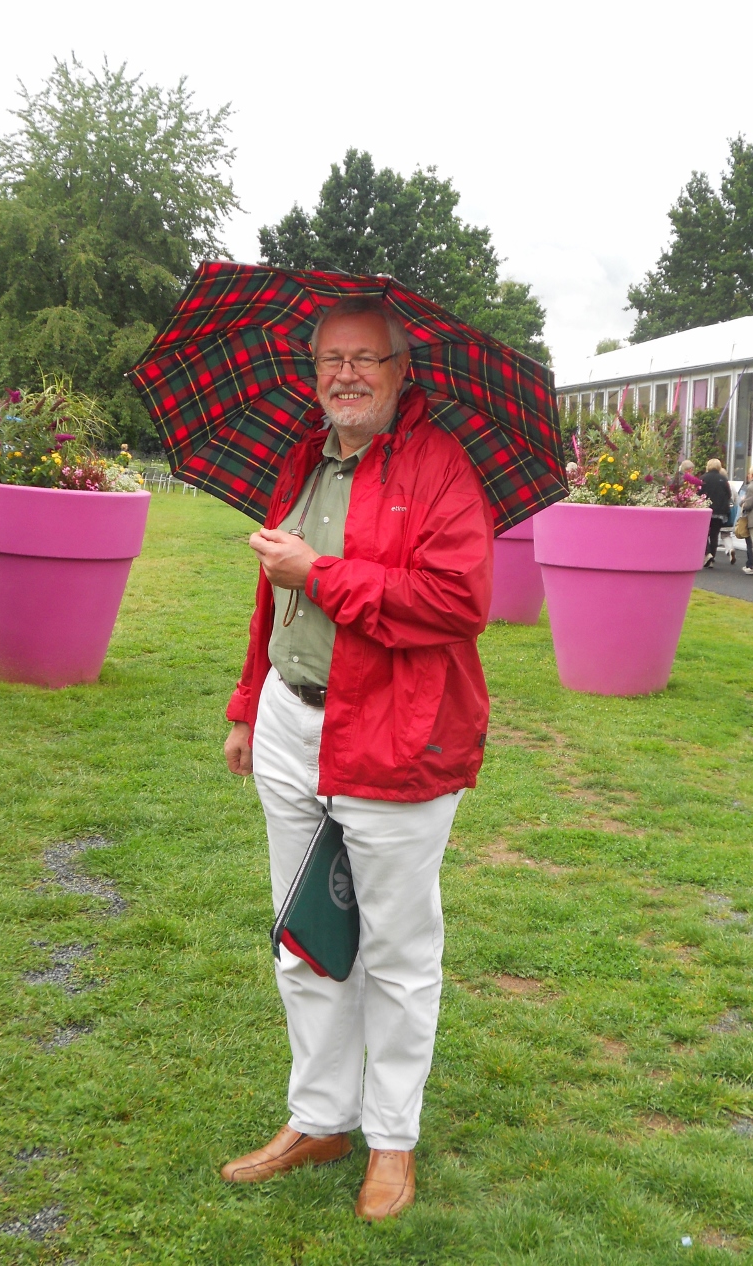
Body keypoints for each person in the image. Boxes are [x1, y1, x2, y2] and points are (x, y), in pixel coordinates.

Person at [220, 296, 493, 1221]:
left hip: (397, 735)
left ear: (401, 370)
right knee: (306, 939)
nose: (346, 373)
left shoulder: (439, 464)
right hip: (291, 728)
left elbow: (456, 600)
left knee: (397, 953)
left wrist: (323, 575)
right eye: (332, 357)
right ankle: (320, 1117)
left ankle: (391, 1140)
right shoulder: (306, 456)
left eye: (366, 359)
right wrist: (247, 706)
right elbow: (274, 597)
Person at [699, 458, 732, 567]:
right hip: (720, 512)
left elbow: (698, 493)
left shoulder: (703, 478)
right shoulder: (723, 479)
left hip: (706, 510)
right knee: (714, 535)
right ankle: (712, 557)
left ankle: (707, 554)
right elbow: (728, 494)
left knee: (703, 534)